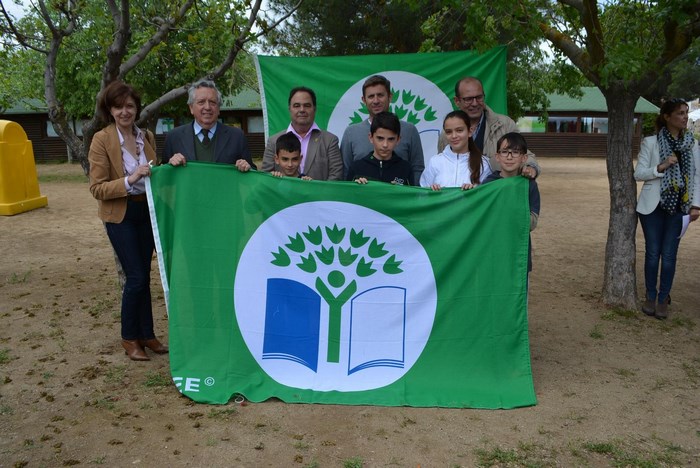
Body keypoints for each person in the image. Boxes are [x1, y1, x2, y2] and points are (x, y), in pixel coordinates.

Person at [88, 81, 167, 361]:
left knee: (144, 275)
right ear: (110, 110)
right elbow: (97, 188)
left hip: (147, 213)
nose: (125, 111)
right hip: (120, 216)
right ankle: (129, 338)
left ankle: (147, 334)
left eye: (130, 106)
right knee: (135, 277)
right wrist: (129, 179)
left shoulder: (145, 135)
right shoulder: (102, 139)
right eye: (119, 106)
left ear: (137, 108)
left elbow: (156, 173)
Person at [634, 98, 700, 319]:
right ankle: (650, 296)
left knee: (669, 255)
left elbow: (698, 176)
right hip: (652, 207)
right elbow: (638, 173)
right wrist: (660, 167)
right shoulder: (651, 142)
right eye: (680, 113)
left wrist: (696, 205)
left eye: (686, 113)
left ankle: (664, 299)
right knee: (653, 253)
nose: (685, 117)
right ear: (667, 117)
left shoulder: (692, 144)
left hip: (681, 206)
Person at [438, 76, 539, 179]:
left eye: (479, 97)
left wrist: (530, 168)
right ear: (457, 101)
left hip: (498, 191)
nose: (474, 103)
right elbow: (442, 167)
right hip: (461, 193)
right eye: (468, 99)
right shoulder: (447, 135)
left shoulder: (505, 125)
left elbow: (523, 154)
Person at [341, 75, 424, 182]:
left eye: (380, 95)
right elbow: (345, 172)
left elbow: (417, 169)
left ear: (390, 96)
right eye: (371, 96)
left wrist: (409, 194)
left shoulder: (410, 130)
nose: (376, 101)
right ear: (364, 100)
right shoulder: (351, 132)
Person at [163, 79, 254, 171]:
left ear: (218, 108)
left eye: (212, 102)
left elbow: (253, 174)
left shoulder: (237, 136)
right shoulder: (174, 137)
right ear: (191, 108)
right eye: (201, 102)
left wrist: (246, 167)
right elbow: (163, 175)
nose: (207, 107)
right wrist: (170, 164)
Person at [484, 132, 541, 272]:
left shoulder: (529, 185)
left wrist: (506, 205)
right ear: (497, 156)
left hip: (518, 251)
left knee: (519, 291)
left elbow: (531, 223)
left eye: (515, 152)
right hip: (492, 249)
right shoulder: (488, 184)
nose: (509, 157)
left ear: (524, 158)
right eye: (504, 152)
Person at [262, 87, 343, 180]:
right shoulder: (273, 141)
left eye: (307, 105)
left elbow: (336, 177)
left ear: (314, 109)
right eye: (296, 105)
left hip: (320, 195)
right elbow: (265, 178)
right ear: (289, 109)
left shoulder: (330, 141)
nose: (302, 110)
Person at [420, 110, 492, 191]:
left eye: (459, 130)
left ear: (470, 131)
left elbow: (488, 196)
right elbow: (422, 194)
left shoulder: (484, 163)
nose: (454, 136)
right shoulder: (435, 162)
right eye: (449, 132)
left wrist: (473, 192)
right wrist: (431, 192)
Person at [346, 112, 413, 186]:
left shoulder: (406, 168)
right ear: (371, 137)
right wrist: (357, 188)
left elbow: (412, 196)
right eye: (380, 138)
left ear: (398, 140)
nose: (385, 145)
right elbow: (346, 196)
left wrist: (401, 191)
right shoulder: (356, 167)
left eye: (391, 139)